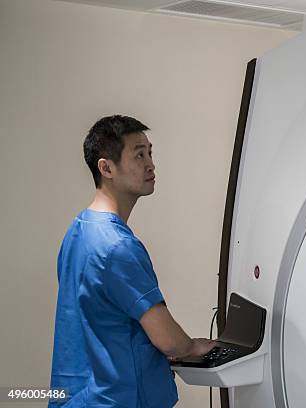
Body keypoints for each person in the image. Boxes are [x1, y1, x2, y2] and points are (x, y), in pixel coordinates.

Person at [49, 115, 216, 407]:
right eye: (139, 155)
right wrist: (192, 346)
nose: (150, 164)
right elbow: (168, 340)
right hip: (116, 399)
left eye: (150, 153)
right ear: (106, 167)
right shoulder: (118, 247)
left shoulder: (78, 231)